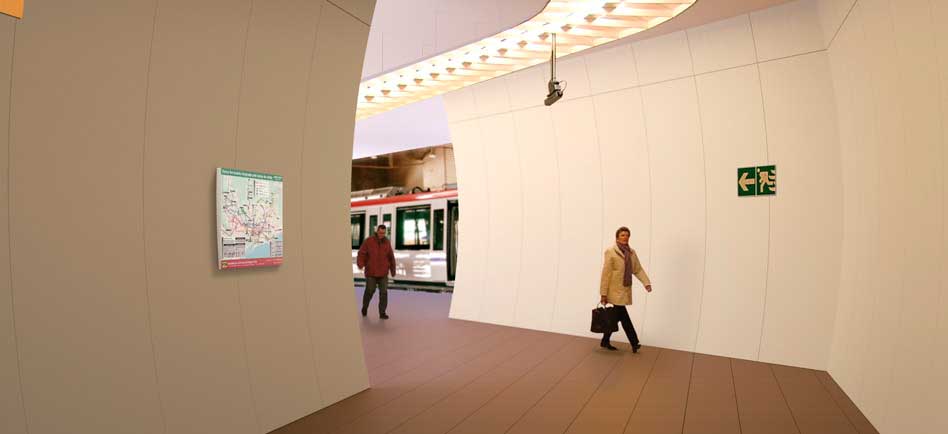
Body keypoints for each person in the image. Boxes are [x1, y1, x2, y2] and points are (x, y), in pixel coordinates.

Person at [599, 226, 652, 352]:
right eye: (622, 235)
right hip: (614, 291)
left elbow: (637, 269)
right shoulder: (610, 252)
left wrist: (646, 283)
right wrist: (603, 293)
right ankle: (634, 343)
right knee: (624, 317)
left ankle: (605, 341)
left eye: (627, 235)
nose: (625, 237)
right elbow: (606, 274)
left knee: (615, 318)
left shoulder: (631, 253)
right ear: (617, 237)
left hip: (625, 289)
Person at [357, 224, 396, 319]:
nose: (382, 235)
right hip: (371, 272)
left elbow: (391, 257)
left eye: (383, 233)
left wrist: (393, 269)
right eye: (380, 232)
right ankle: (365, 307)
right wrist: (360, 263)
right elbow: (362, 253)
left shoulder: (387, 242)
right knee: (370, 290)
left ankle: (382, 313)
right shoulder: (369, 241)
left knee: (384, 292)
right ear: (377, 231)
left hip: (383, 272)